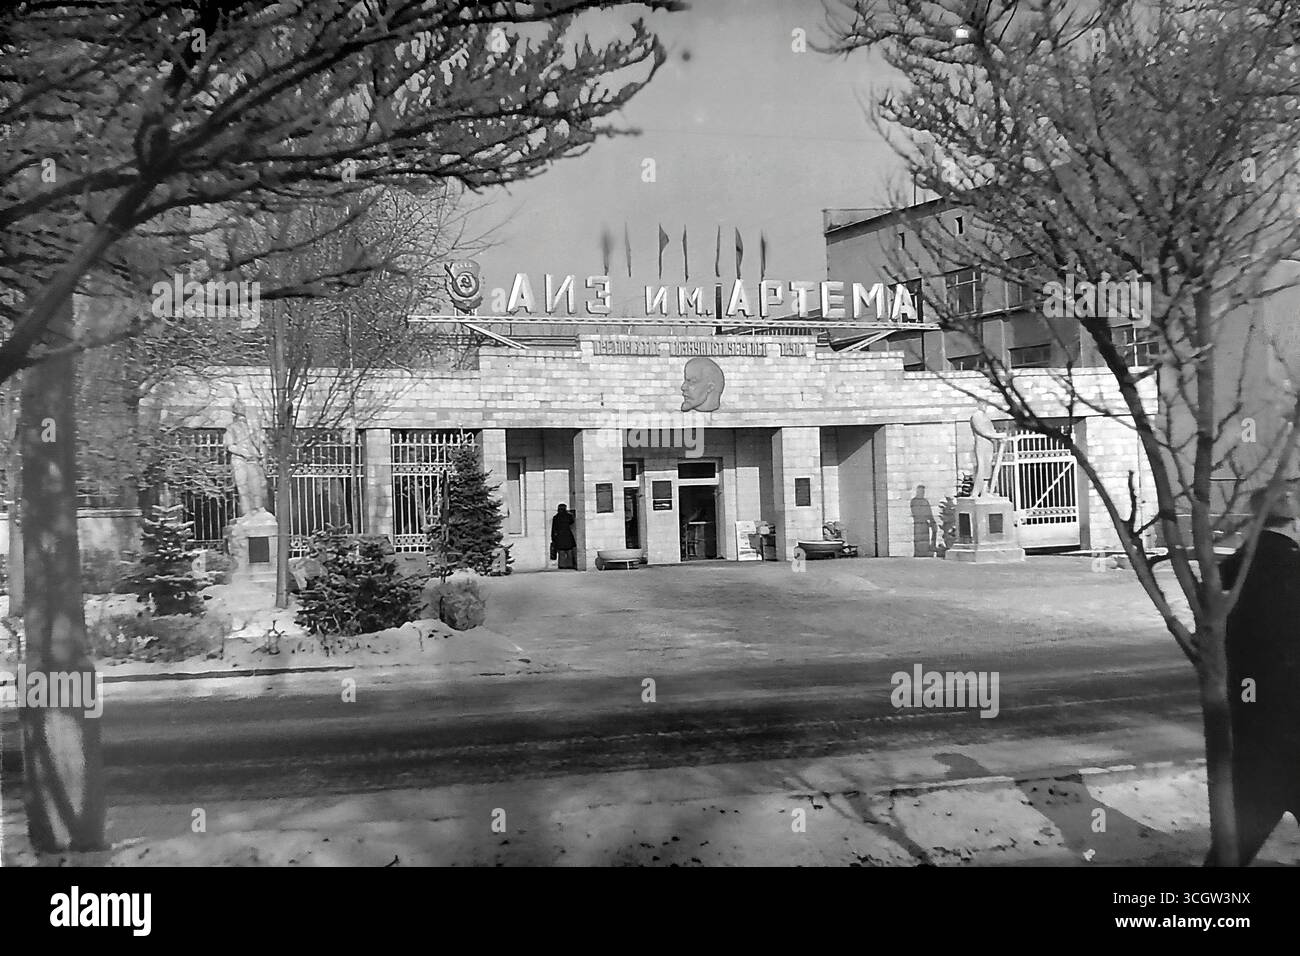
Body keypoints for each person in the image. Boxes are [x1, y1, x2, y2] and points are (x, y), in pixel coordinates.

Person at [1216, 482, 1300, 864]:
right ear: (1294, 522)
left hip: (1251, 725)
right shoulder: (1293, 567)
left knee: (1237, 842)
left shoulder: (1231, 570)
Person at [550, 503, 577, 570]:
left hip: (559, 537)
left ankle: (562, 565)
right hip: (568, 535)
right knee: (569, 551)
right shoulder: (568, 516)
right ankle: (570, 564)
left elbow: (553, 529)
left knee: (561, 552)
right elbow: (572, 522)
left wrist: (553, 538)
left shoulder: (556, 517)